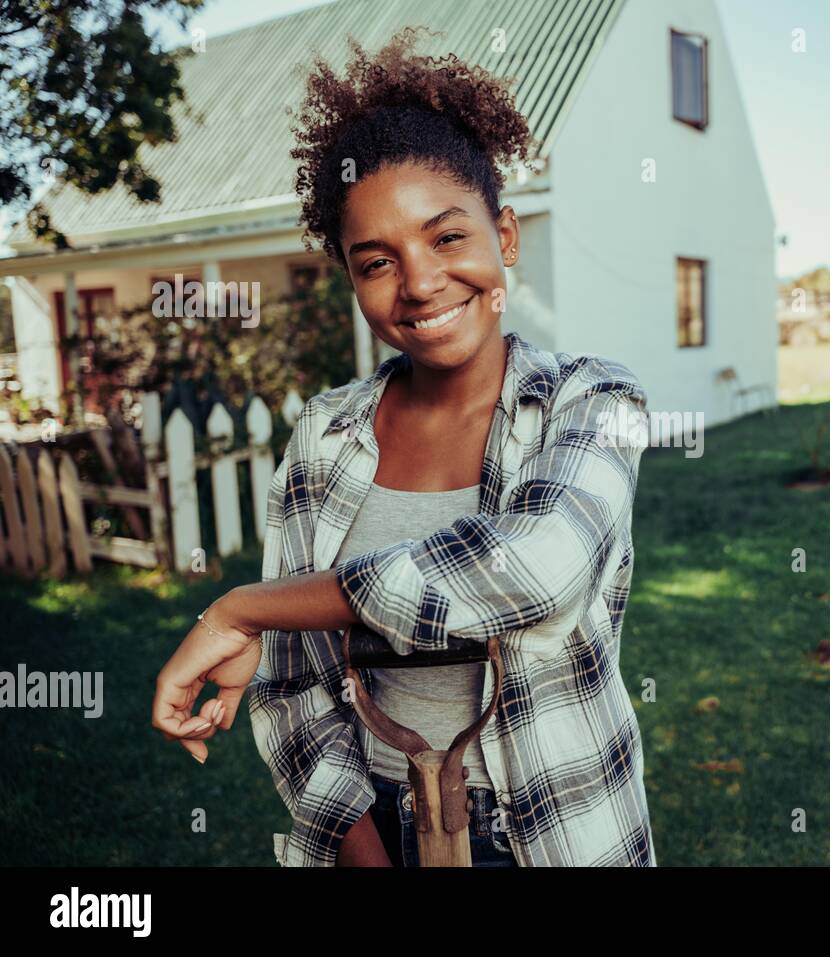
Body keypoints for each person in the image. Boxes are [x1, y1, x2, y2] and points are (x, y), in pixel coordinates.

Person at [150, 28, 656, 868]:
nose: (419, 283)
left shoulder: (592, 400)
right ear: (351, 279)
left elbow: (533, 570)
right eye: (377, 261)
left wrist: (245, 605)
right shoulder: (326, 433)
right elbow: (292, 686)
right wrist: (365, 851)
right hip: (373, 829)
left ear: (506, 236)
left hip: (559, 829)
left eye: (448, 238)